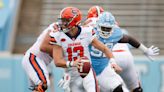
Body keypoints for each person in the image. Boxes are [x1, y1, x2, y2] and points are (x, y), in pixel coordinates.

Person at [49, 7, 124, 92]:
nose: (62, 23)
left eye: (66, 20)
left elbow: (104, 48)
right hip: (72, 74)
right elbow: (57, 61)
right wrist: (73, 64)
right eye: (62, 20)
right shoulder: (57, 35)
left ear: (74, 21)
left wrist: (113, 62)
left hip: (87, 71)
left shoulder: (86, 32)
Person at [87, 8, 159, 92]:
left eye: (108, 29)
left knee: (118, 88)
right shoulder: (88, 30)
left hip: (104, 67)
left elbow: (128, 39)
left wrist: (145, 50)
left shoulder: (115, 33)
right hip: (89, 68)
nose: (106, 31)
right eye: (103, 28)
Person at [21, 21, 60, 92]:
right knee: (43, 84)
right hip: (34, 58)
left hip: (38, 61)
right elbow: (43, 47)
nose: (64, 23)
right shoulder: (57, 28)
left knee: (41, 86)